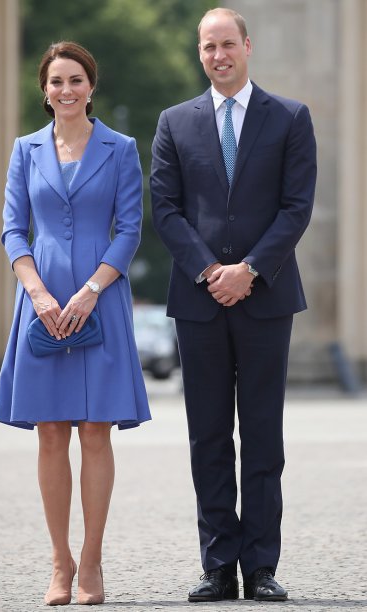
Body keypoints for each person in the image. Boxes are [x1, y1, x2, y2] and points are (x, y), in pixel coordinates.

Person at [150, 7, 316, 603]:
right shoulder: (173, 122)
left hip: (265, 298)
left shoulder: (291, 118)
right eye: (207, 47)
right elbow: (165, 208)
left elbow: (297, 206)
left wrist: (248, 270)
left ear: (247, 46)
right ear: (200, 54)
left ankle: (261, 566)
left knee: (264, 436)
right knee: (209, 436)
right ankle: (218, 565)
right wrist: (208, 270)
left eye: (227, 44)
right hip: (198, 302)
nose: (218, 55)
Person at [0, 41, 151, 606]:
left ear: (92, 86)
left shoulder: (122, 148)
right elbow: (13, 229)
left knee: (94, 431)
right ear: (44, 90)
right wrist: (36, 291)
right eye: (57, 81)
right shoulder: (24, 150)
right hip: (40, 303)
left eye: (76, 80)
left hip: (100, 301)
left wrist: (90, 289)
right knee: (52, 432)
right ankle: (59, 563)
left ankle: (92, 564)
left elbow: (129, 229)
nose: (66, 90)